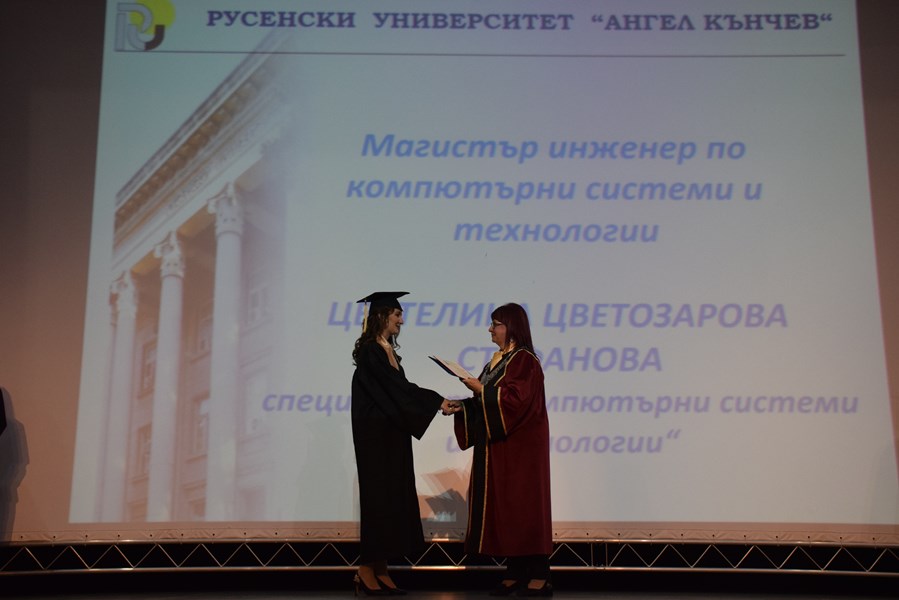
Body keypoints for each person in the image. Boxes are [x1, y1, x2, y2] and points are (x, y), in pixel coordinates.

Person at [351, 291, 458, 596]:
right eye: (397, 314)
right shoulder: (371, 352)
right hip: (375, 440)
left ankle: (380, 568)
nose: (402, 320)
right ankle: (365, 569)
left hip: (391, 436)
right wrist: (437, 401)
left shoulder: (387, 351)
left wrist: (436, 402)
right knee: (378, 501)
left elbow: (401, 389)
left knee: (391, 499)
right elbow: (395, 389)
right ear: (381, 315)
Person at [454, 303, 553, 597]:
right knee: (508, 509)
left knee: (524, 507)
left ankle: (540, 573)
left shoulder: (524, 360)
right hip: (501, 447)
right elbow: (488, 399)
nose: (490, 329)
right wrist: (462, 406)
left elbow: (514, 401)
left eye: (496, 324)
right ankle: (515, 570)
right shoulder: (498, 362)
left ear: (511, 327)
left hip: (521, 449)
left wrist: (480, 389)